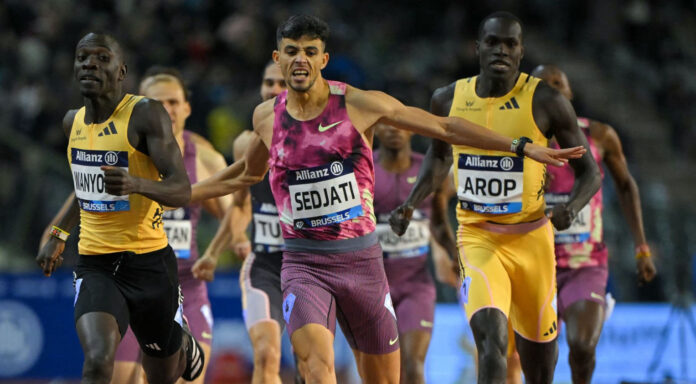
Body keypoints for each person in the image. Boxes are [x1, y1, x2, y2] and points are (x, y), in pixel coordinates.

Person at [190, 15, 583, 384]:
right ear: (278, 58)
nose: (300, 59)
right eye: (291, 51)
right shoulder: (266, 117)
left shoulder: (360, 104)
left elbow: (444, 127)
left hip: (361, 263)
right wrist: (180, 194)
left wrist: (519, 145)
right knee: (315, 367)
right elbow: (247, 173)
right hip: (302, 263)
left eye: (310, 51)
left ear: (323, 59)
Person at [389, 12, 602, 384]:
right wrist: (412, 202)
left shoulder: (546, 101)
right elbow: (439, 159)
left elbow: (591, 174)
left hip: (532, 240)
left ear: (521, 52)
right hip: (477, 237)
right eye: (492, 42)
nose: (501, 50)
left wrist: (571, 206)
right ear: (477, 48)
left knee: (540, 368)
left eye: (510, 44)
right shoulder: (447, 98)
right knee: (492, 341)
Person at [35, 33, 204, 384]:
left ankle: (182, 342)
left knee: (163, 376)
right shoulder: (73, 122)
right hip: (96, 262)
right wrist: (59, 231)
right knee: (98, 361)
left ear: (121, 70)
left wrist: (137, 184)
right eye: (82, 58)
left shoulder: (145, 115)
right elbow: (84, 189)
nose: (89, 64)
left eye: (100, 58)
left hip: (150, 263)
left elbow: (181, 189)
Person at [505, 64, 656, 384]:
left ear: (570, 93)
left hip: (584, 264)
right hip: (533, 264)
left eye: (558, 83)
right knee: (535, 362)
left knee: (582, 345)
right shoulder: (516, 142)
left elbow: (626, 185)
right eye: (543, 85)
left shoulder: (599, 136)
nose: (553, 89)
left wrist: (641, 247)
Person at [192, 61, 291, 384]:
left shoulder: (323, 142)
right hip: (264, 264)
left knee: (312, 363)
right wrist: (217, 248)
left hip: (311, 264)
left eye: (282, 83)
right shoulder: (245, 143)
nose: (274, 89)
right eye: (268, 82)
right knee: (266, 355)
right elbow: (239, 203)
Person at [373, 123, 457, 383]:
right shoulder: (364, 169)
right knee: (385, 373)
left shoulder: (429, 169)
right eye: (386, 125)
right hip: (374, 286)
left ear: (411, 130)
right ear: (375, 130)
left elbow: (441, 221)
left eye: (400, 125)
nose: (394, 130)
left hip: (416, 285)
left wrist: (454, 256)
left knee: (414, 364)